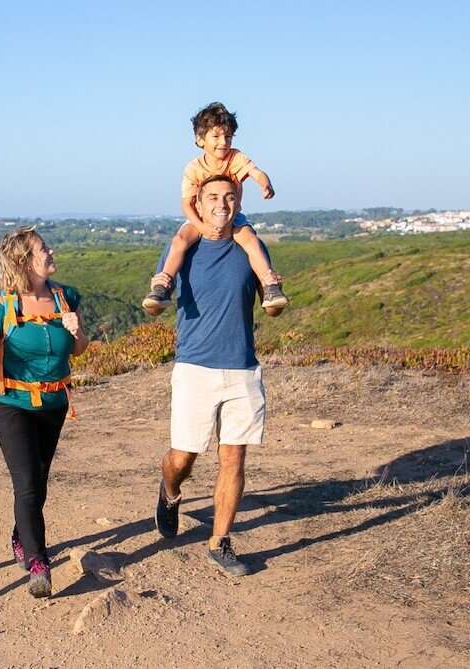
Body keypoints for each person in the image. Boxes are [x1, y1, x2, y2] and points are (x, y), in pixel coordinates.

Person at [151, 174, 285, 577]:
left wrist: (274, 300)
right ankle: (170, 491)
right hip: (194, 368)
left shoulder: (251, 245)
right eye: (213, 197)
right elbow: (158, 297)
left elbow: (272, 301)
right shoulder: (184, 247)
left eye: (229, 196)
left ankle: (220, 542)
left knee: (234, 457)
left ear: (238, 199)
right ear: (199, 201)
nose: (221, 204)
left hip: (243, 367)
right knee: (183, 457)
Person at [0, 227, 89, 598]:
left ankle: (21, 534)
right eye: (42, 247)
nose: (51, 250)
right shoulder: (2, 306)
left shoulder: (67, 297)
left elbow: (78, 350)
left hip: (54, 404)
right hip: (11, 404)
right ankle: (38, 563)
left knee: (39, 480)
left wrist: (77, 333)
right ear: (23, 261)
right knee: (28, 482)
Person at [143, 101, 289, 313]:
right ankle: (162, 287)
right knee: (180, 240)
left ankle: (270, 286)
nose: (223, 142)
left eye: (228, 137)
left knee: (250, 241)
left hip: (233, 216)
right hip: (198, 218)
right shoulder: (194, 168)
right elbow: (187, 205)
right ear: (200, 140)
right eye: (216, 136)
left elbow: (256, 172)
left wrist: (265, 184)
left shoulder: (235, 157)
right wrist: (201, 228)